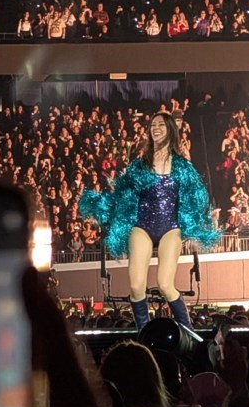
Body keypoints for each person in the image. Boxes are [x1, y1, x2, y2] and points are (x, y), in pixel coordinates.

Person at [80, 112, 220, 332]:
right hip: (142, 226)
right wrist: (99, 208)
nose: (155, 128)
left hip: (170, 228)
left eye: (161, 125)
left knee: (165, 284)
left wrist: (201, 222)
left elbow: (195, 197)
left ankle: (188, 332)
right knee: (136, 286)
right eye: (153, 124)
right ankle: (144, 335)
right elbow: (121, 195)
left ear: (171, 130)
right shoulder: (139, 166)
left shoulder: (182, 166)